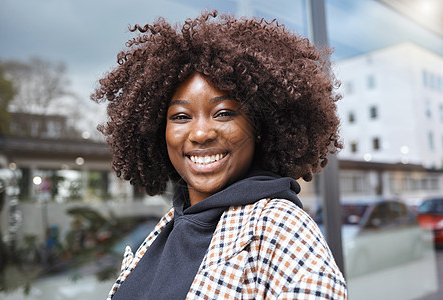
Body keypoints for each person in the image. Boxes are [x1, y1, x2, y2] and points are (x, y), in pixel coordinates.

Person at [92, 10, 347, 300]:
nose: (200, 134)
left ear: (260, 125)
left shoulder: (279, 226)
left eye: (223, 113)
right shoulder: (170, 226)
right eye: (181, 116)